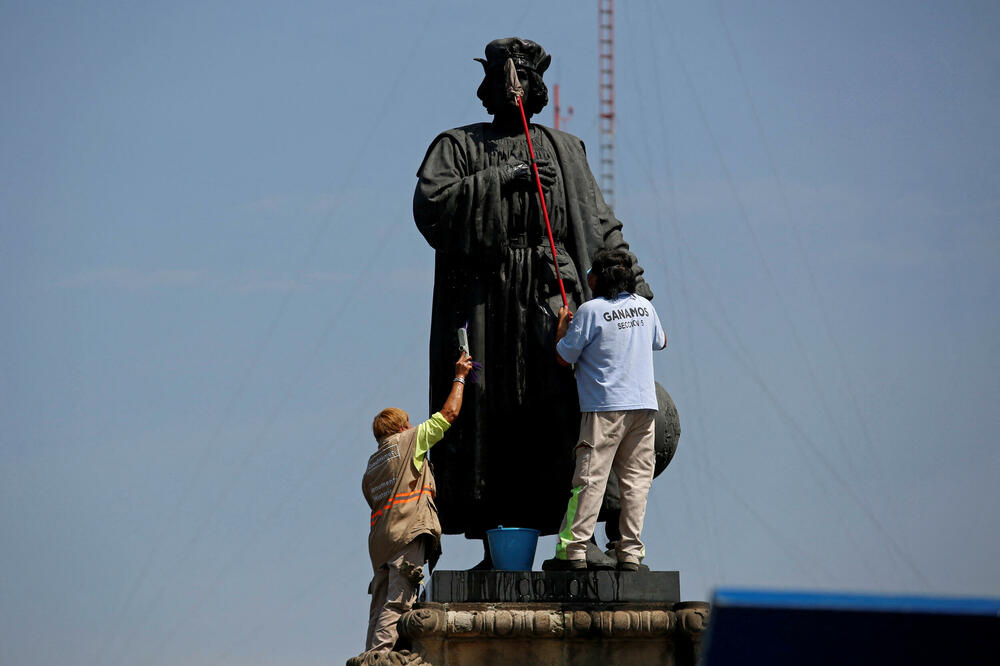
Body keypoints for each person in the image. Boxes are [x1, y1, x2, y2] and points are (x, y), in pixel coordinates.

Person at [413, 37, 653, 560]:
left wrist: (631, 290)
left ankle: (587, 537)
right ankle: (495, 542)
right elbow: (432, 206)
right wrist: (503, 178)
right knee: (487, 410)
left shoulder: (565, 149)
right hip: (484, 301)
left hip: (552, 298)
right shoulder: (457, 145)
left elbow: (597, 223)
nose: (512, 86)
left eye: (520, 77)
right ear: (488, 86)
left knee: (565, 410)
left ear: (537, 86)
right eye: (502, 77)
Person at [544, 249, 667, 571]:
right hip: (643, 407)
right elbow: (661, 341)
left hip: (605, 408)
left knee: (589, 479)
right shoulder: (644, 307)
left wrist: (562, 326)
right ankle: (630, 553)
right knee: (637, 482)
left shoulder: (590, 311)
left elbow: (563, 356)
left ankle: (573, 551)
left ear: (597, 279)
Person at [360, 352, 474, 655]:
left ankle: (372, 653)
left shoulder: (372, 465)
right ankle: (382, 657)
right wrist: (460, 375)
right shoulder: (409, 441)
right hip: (407, 532)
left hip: (381, 542)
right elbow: (448, 415)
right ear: (401, 427)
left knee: (381, 604)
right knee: (399, 600)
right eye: (408, 423)